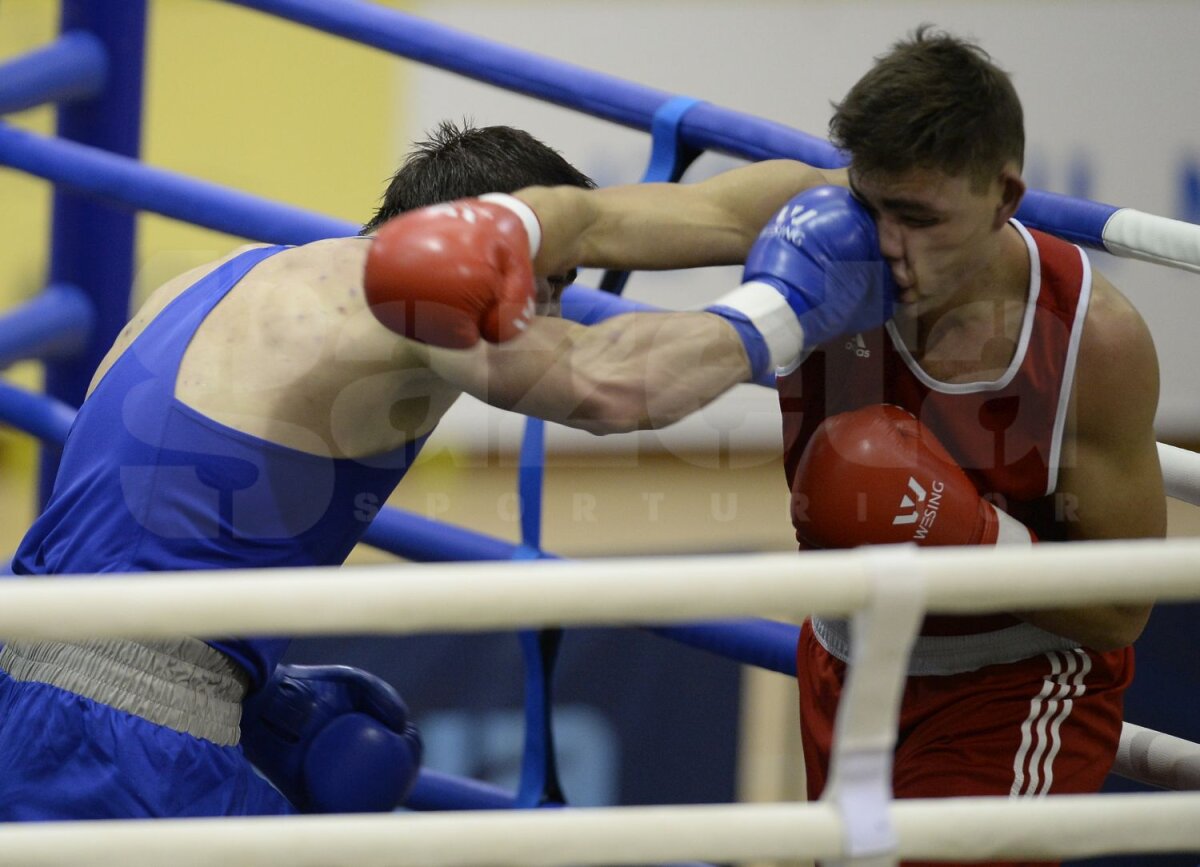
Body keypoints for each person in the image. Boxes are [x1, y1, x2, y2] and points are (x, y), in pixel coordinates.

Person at [364, 30, 1163, 867]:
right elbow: (599, 220)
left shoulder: (1087, 339)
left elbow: (1122, 608)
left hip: (1017, 680)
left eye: (922, 220)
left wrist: (967, 533)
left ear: (1005, 197)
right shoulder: (819, 218)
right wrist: (508, 226)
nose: (889, 244)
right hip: (847, 655)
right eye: (874, 205)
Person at [0, 118, 891, 820]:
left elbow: (725, 213)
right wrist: (789, 306)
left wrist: (878, 194)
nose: (550, 309)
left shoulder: (228, 276)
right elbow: (617, 389)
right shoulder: (419, 311)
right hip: (125, 744)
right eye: (556, 280)